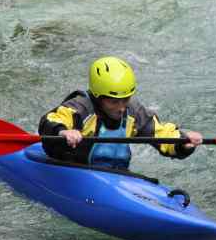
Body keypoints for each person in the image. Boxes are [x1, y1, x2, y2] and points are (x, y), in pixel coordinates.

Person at [38, 56, 203, 169]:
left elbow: (161, 134)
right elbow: (51, 120)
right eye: (114, 101)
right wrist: (64, 131)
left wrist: (182, 142)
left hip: (114, 176)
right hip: (71, 170)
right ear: (98, 96)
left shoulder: (134, 112)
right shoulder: (80, 107)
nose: (122, 107)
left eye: (126, 99)